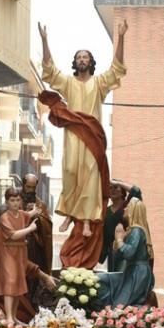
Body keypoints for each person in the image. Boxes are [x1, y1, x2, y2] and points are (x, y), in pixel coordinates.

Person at [40, 20, 128, 269]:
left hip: (93, 136)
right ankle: (69, 214)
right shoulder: (68, 83)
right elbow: (49, 71)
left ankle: (87, 220)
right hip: (73, 134)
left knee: (90, 177)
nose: (81, 59)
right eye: (78, 56)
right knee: (70, 172)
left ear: (90, 62)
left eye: (85, 56)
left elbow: (117, 69)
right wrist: (45, 42)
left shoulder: (99, 83)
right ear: (75, 62)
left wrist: (120, 38)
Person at [0, 187, 42, 325]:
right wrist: (30, 229)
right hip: (9, 253)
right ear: (7, 202)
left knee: (19, 284)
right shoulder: (4, 217)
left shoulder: (20, 214)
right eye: (12, 200)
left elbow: (29, 214)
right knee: (10, 282)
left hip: (20, 252)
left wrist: (36, 210)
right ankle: (8, 316)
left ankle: (13, 316)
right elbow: (13, 235)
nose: (15, 203)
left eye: (17, 200)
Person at [98, 198, 155, 307]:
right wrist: (117, 241)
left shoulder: (137, 231)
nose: (124, 209)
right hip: (130, 271)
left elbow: (129, 253)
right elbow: (119, 256)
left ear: (133, 211)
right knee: (99, 279)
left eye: (127, 207)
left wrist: (120, 240)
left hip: (137, 274)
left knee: (121, 304)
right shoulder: (130, 231)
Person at [100, 180, 142, 270]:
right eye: (110, 188)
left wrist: (118, 182)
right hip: (112, 252)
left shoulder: (128, 206)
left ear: (122, 191)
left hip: (128, 248)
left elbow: (137, 191)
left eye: (115, 187)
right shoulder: (105, 211)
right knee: (114, 278)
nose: (112, 190)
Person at [21, 173, 54, 275]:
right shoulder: (15, 200)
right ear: (23, 185)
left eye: (33, 187)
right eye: (28, 187)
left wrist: (38, 218)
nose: (31, 190)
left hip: (35, 244)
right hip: (19, 243)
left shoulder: (40, 204)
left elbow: (48, 226)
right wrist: (27, 213)